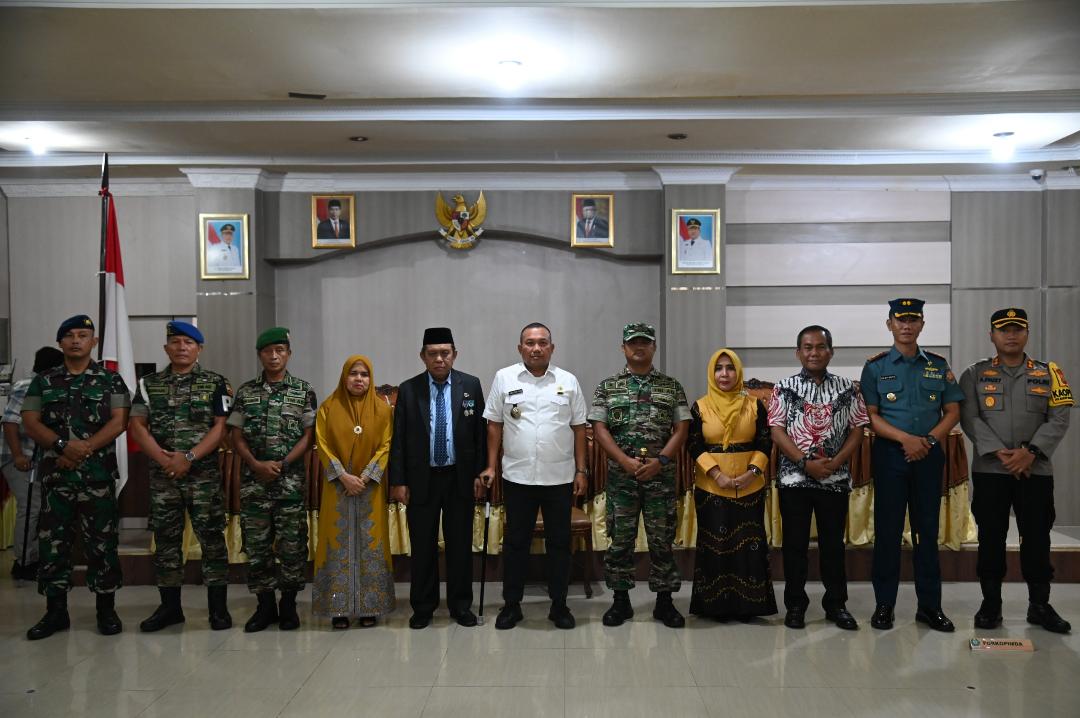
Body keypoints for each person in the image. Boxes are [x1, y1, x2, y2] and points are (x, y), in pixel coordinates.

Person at [959, 308, 1073, 633]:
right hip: (991, 471)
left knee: (1036, 538)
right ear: (991, 335)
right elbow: (969, 417)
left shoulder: (1050, 372)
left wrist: (1030, 453)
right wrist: (1001, 453)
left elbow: (1060, 417)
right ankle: (990, 604)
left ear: (1027, 333)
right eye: (1004, 330)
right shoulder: (974, 374)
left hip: (1035, 471)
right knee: (990, 538)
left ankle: (1040, 605)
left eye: (1017, 329)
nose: (1011, 335)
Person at [21, 315, 130, 640]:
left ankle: (106, 610)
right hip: (57, 477)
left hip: (97, 477)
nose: (76, 340)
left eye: (83, 335)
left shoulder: (111, 380)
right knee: (53, 545)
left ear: (93, 342)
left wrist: (84, 448)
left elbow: (120, 421)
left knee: (102, 545)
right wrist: (61, 446)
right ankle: (55, 612)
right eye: (69, 335)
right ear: (60, 342)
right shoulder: (43, 381)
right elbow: (30, 421)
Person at [860, 298, 962, 632]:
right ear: (889, 324)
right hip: (891, 455)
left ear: (921, 324)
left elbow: (953, 411)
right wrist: (906, 440)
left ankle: (930, 607)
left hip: (928, 456)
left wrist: (928, 441)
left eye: (913, 320)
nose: (906, 326)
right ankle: (884, 605)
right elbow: (871, 416)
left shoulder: (938, 365)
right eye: (900, 320)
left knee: (927, 532)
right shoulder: (875, 367)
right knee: (887, 532)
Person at [479, 323, 588, 630]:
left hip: (559, 477)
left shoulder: (568, 381)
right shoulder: (504, 378)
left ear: (552, 348)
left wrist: (581, 470)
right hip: (518, 477)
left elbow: (579, 427)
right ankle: (511, 605)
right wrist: (490, 466)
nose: (536, 348)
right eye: (530, 343)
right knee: (516, 543)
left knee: (559, 544)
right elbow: (494, 425)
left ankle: (559, 605)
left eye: (542, 343)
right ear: (520, 348)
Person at [128, 321, 233, 632]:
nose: (182, 347)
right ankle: (170, 608)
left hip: (203, 476)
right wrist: (166, 460)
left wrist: (188, 458)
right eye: (176, 342)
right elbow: (137, 426)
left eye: (188, 342)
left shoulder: (216, 383)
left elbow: (221, 427)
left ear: (199, 348)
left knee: (212, 541)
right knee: (166, 542)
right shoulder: (148, 384)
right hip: (164, 477)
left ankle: (218, 609)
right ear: (166, 348)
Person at [767, 326, 868, 630]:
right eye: (808, 347)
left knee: (833, 546)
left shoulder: (848, 389)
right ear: (798, 352)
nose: (814, 353)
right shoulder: (784, 387)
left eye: (820, 347)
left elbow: (857, 429)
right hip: (794, 481)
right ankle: (795, 605)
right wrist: (804, 462)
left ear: (831, 351)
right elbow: (777, 430)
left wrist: (836, 462)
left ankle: (836, 605)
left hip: (834, 480)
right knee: (794, 546)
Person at [589, 322, 690, 628]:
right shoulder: (607, 387)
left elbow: (681, 428)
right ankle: (621, 601)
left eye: (645, 342)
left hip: (661, 478)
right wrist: (623, 460)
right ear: (623, 348)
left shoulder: (671, 386)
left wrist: (661, 460)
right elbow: (599, 429)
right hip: (622, 479)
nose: (639, 347)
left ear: (654, 347)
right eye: (633, 342)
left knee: (662, 540)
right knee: (621, 540)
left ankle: (664, 603)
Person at [389, 327, 487, 629]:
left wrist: (479, 473)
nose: (439, 359)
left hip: (460, 478)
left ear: (455, 354)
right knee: (422, 546)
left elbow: (480, 435)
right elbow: (398, 439)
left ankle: (461, 606)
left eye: (445, 353)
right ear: (423, 356)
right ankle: (423, 607)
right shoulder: (408, 389)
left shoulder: (471, 385)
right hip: (422, 479)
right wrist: (398, 481)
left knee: (460, 546)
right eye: (433, 354)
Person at [227, 327, 317, 632]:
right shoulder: (245, 392)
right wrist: (255, 463)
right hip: (254, 483)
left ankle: (288, 606)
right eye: (268, 351)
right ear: (260, 355)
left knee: (292, 546)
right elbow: (236, 434)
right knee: (257, 547)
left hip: (290, 483)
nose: (274, 356)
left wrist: (283, 463)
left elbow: (309, 435)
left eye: (280, 350)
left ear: (289, 354)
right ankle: (264, 606)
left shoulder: (303, 390)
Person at [686, 348, 777, 620]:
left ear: (738, 372)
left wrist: (752, 472)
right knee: (716, 545)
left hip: (750, 486)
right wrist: (717, 474)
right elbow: (694, 444)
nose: (724, 374)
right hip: (711, 487)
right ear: (711, 373)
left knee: (749, 545)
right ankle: (714, 607)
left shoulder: (754, 405)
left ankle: (749, 606)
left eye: (730, 368)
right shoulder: (700, 406)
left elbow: (765, 441)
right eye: (718, 368)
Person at [312, 355, 395, 628]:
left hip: (370, 488)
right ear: (344, 376)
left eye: (364, 374)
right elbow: (322, 444)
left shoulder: (383, 411)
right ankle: (338, 607)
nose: (359, 379)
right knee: (337, 542)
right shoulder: (328, 407)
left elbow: (387, 445)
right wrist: (344, 477)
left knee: (370, 541)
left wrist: (367, 476)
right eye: (354, 373)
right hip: (338, 488)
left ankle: (371, 605)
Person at [2, 346, 64, 581]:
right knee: (30, 508)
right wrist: (18, 455)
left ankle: (33, 557)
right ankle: (23, 562)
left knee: (37, 508)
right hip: (17, 457)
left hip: (34, 458)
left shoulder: (47, 387)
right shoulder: (28, 386)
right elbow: (10, 422)